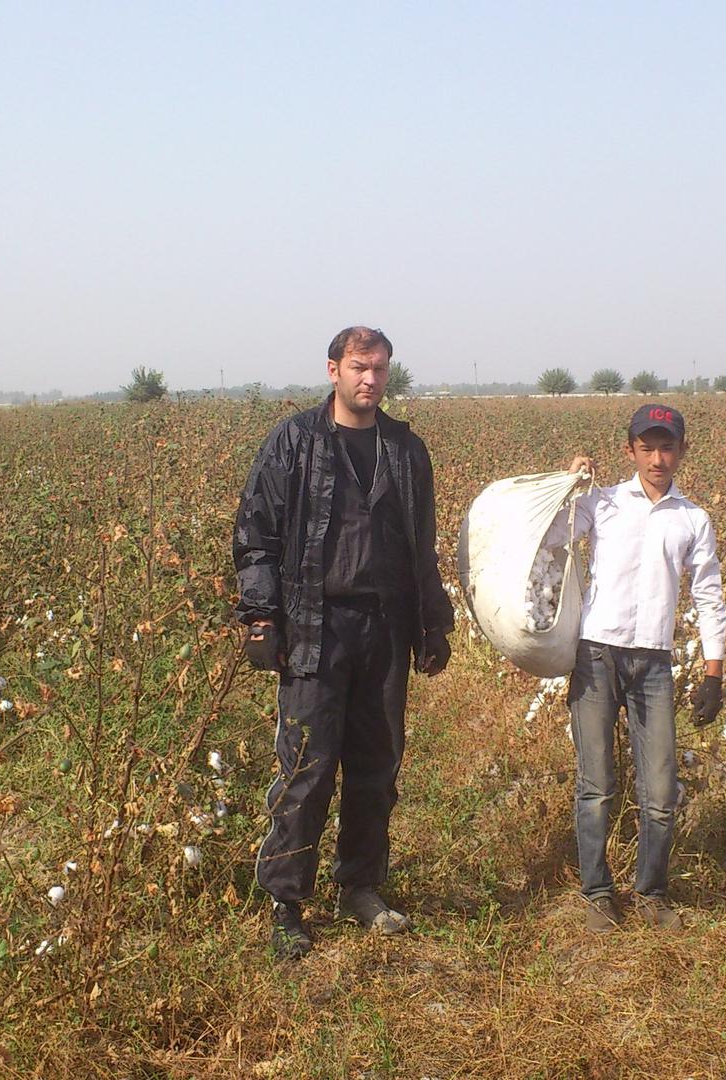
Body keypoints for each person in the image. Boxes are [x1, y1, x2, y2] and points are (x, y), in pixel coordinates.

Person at [232, 326, 455, 961]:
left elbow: (422, 546)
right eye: (360, 367)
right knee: (306, 769)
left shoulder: (405, 449)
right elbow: (257, 535)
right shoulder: (295, 442)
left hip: (383, 630)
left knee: (376, 768)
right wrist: (259, 618)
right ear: (333, 370)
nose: (371, 379)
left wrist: (431, 623)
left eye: (381, 369)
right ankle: (285, 902)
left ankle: (361, 886)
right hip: (314, 627)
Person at [551, 404, 726, 932]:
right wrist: (568, 481)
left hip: (654, 662)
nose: (657, 457)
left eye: (666, 447)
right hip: (596, 656)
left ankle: (651, 893)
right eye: (646, 447)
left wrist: (713, 673)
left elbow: (709, 596)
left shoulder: (692, 519)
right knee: (597, 782)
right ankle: (596, 892)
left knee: (660, 787)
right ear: (629, 451)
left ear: (681, 451)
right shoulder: (601, 504)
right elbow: (554, 535)